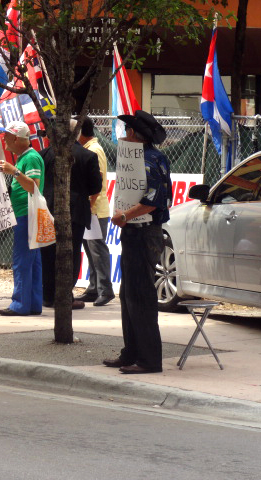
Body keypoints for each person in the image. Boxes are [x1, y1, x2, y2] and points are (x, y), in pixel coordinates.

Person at [104, 110, 171, 374]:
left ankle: (149, 359)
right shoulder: (138, 159)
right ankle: (131, 352)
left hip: (144, 232)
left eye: (126, 131)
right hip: (133, 230)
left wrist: (124, 215)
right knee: (128, 294)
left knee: (141, 295)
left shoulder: (150, 160)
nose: (123, 135)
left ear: (134, 135)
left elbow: (154, 201)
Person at [39, 119, 101, 310]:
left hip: (47, 210)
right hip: (75, 212)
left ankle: (48, 295)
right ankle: (65, 295)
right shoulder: (87, 156)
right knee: (71, 253)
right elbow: (95, 187)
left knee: (48, 253)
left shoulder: (44, 155)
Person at [0, 121, 45, 316]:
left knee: (22, 260)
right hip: (26, 213)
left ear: (16, 138)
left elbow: (34, 185)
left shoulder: (30, 158)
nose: (3, 140)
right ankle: (32, 303)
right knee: (33, 261)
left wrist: (14, 172)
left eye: (6, 136)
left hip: (27, 214)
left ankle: (19, 304)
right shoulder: (26, 157)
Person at [76, 116, 115, 307]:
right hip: (88, 209)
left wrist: (91, 206)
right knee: (90, 251)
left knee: (97, 250)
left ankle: (105, 290)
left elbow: (97, 182)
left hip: (95, 210)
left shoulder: (94, 150)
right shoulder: (87, 149)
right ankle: (93, 288)